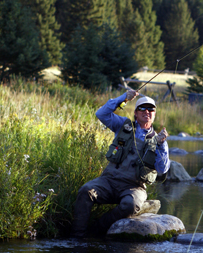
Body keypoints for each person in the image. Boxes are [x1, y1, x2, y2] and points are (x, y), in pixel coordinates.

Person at [72, 89, 170, 238]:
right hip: (108, 181)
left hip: (134, 187)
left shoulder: (159, 139)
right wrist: (124, 98)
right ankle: (77, 237)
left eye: (151, 109)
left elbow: (162, 170)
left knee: (129, 206)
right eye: (142, 108)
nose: (147, 111)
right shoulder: (123, 125)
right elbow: (101, 114)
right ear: (136, 113)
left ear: (154, 115)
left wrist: (162, 145)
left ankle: (96, 230)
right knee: (86, 191)